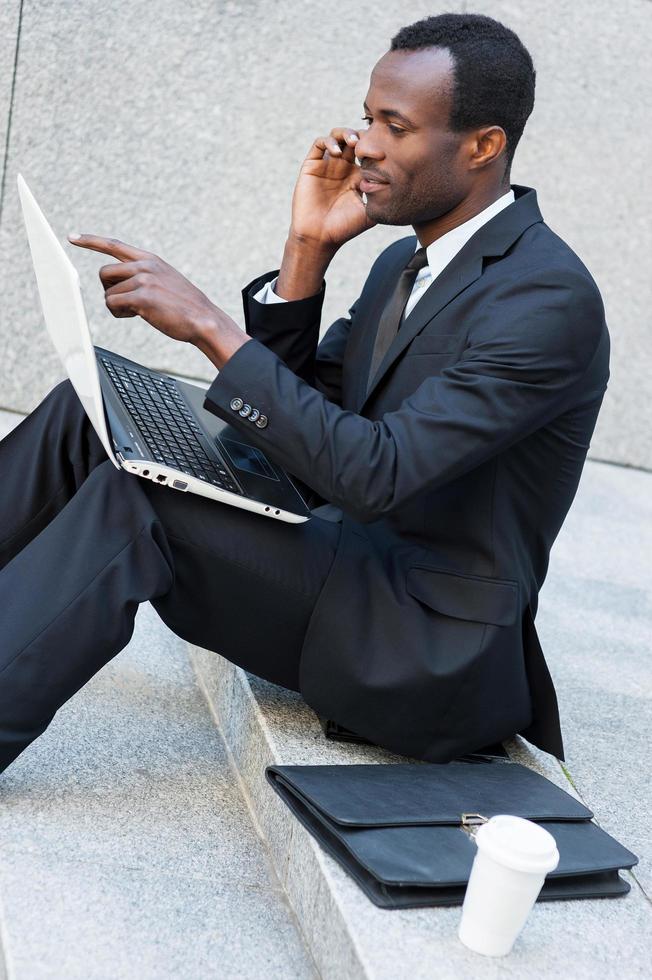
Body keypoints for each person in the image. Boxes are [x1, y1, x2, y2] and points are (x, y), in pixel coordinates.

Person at [0, 12, 609, 774]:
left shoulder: (547, 300)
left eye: (397, 126)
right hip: (343, 558)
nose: (367, 147)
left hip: (418, 638)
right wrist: (307, 251)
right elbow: (285, 430)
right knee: (84, 409)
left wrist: (212, 328)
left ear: (483, 146)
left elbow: (374, 472)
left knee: (140, 500)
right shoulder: (402, 263)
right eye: (367, 119)